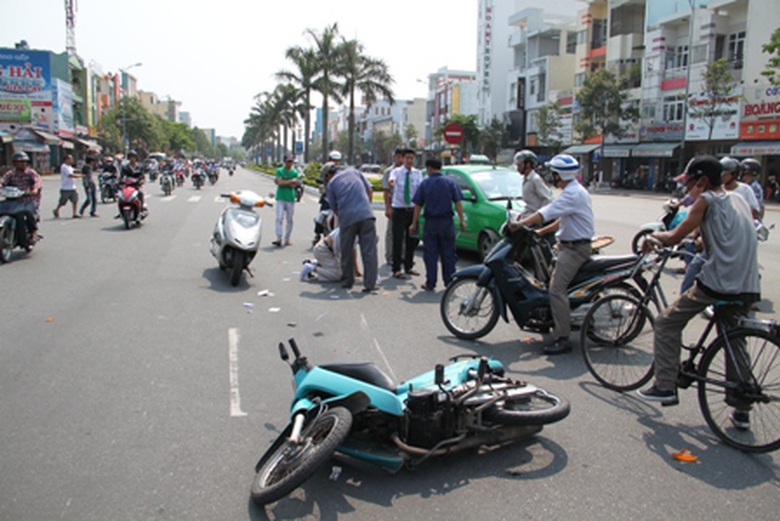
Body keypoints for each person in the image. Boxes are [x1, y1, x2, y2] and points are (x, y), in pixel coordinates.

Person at [637, 156, 760, 429]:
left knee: (666, 322)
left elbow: (674, 237)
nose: (687, 188)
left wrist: (651, 238)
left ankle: (665, 385)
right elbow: (729, 233)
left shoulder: (705, 200)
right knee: (733, 340)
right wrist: (704, 239)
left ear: (702, 181)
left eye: (689, 182)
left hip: (720, 281)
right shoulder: (737, 198)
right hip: (748, 283)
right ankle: (742, 407)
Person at [512, 154, 595, 355]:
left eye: (554, 173)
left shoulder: (572, 193)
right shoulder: (574, 190)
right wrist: (541, 232)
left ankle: (563, 338)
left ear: (561, 175)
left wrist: (521, 224)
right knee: (547, 278)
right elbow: (562, 220)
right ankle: (552, 318)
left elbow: (547, 212)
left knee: (556, 290)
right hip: (567, 246)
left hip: (575, 250)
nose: (552, 177)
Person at [409, 158, 466, 291]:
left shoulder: (425, 183)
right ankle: (449, 282)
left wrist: (414, 223)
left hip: (431, 223)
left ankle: (431, 282)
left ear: (429, 168)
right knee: (448, 253)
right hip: (446, 222)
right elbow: (458, 202)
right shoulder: (450, 182)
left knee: (430, 253)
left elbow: (417, 205)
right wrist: (462, 220)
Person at [326, 166, 379, 292]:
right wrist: (367, 207)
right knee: (369, 251)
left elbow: (333, 207)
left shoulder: (331, 183)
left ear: (329, 175)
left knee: (347, 250)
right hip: (366, 215)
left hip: (348, 218)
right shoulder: (354, 172)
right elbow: (370, 190)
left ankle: (348, 281)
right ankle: (370, 283)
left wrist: (343, 217)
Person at [388, 148, 423, 279]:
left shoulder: (418, 173)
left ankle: (409, 266)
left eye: (411, 158)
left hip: (412, 211)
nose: (409, 160)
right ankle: (396, 268)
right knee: (398, 239)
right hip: (399, 210)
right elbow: (391, 180)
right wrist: (391, 183)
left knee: (412, 239)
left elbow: (421, 189)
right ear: (402, 159)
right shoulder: (396, 172)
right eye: (407, 158)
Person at [0, 151, 42, 249]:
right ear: (14, 163)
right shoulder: (10, 174)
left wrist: (34, 189)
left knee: (28, 213)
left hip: (28, 200)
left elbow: (37, 182)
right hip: (13, 201)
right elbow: (3, 181)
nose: (23, 164)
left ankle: (32, 233)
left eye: (24, 162)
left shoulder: (31, 173)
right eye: (20, 162)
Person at [382, 148, 404, 265]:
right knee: (391, 232)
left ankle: (402, 256)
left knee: (404, 233)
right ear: (394, 157)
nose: (400, 159)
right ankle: (390, 256)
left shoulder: (408, 171)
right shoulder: (389, 172)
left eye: (402, 157)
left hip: (405, 205)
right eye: (398, 157)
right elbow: (386, 191)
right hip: (394, 204)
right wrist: (388, 208)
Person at [272, 154, 300, 247]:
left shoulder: (295, 172)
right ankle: (279, 238)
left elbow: (294, 185)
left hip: (290, 198)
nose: (290, 163)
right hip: (281, 197)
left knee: (289, 219)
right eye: (288, 161)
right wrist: (289, 181)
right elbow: (279, 182)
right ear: (284, 162)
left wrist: (284, 182)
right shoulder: (280, 170)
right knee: (279, 218)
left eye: (291, 161)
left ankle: (287, 238)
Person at [515, 150, 552, 219]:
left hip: (534, 220)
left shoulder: (535, 179)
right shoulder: (526, 179)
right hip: (527, 216)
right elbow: (530, 204)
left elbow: (547, 199)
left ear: (528, 164)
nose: (518, 168)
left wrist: (540, 216)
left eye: (520, 165)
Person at [53, 154, 82, 218]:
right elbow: (70, 175)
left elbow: (74, 171)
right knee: (62, 202)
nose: (72, 160)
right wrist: (79, 176)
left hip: (72, 187)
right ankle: (56, 210)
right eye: (70, 159)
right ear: (66, 160)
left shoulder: (70, 167)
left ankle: (74, 213)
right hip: (65, 188)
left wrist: (81, 172)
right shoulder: (64, 166)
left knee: (75, 200)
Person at [120, 150, 147, 215]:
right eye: (130, 157)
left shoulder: (139, 166)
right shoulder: (125, 167)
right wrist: (119, 182)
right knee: (121, 195)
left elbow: (142, 176)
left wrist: (142, 181)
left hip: (136, 185)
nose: (132, 159)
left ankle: (142, 208)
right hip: (127, 185)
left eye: (133, 157)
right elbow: (121, 177)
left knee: (141, 193)